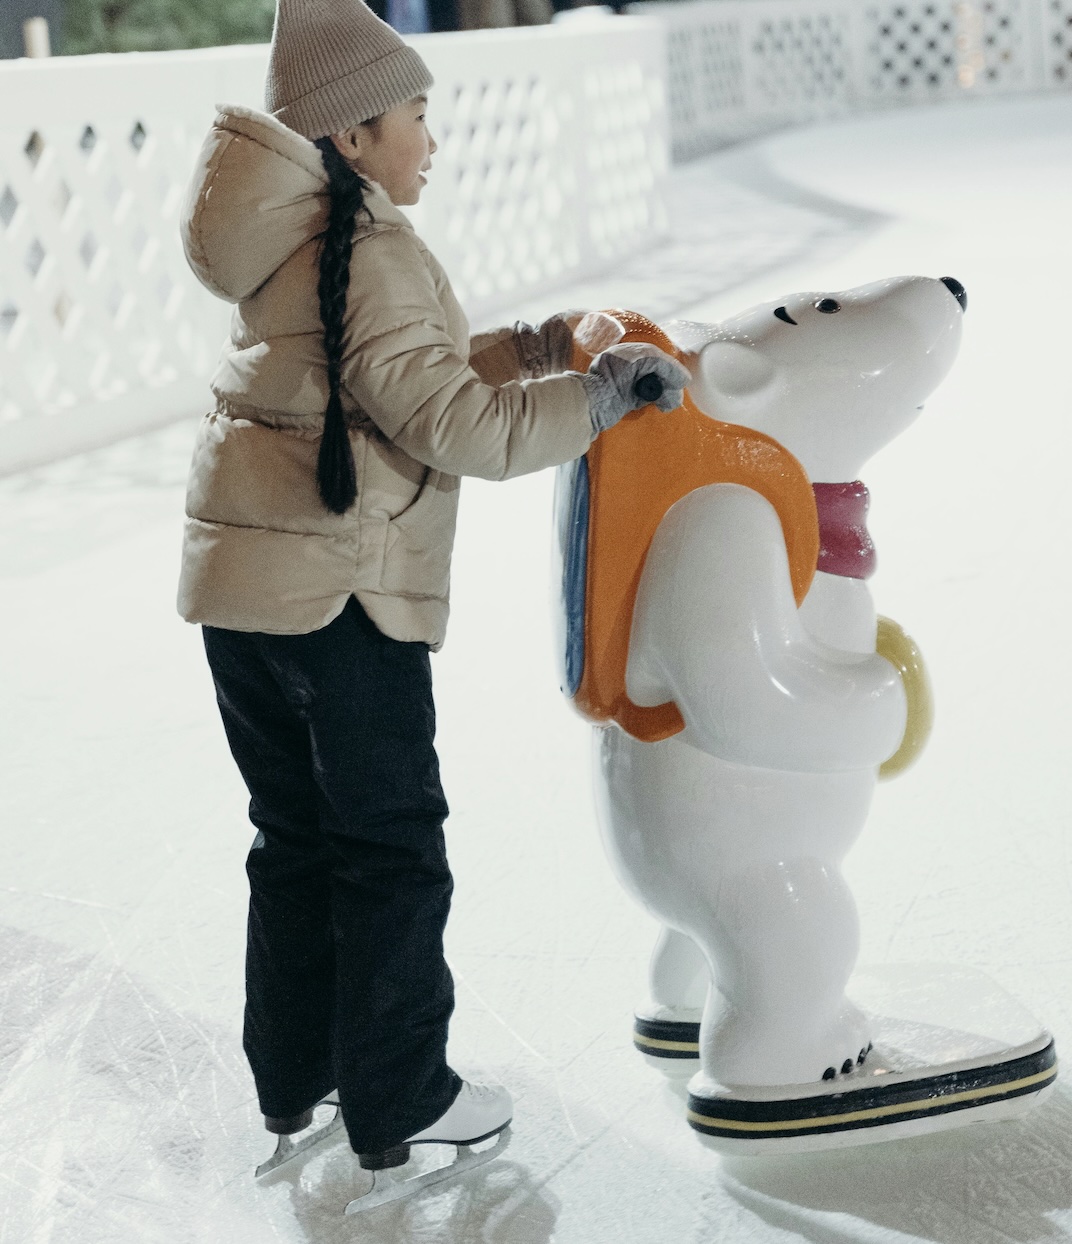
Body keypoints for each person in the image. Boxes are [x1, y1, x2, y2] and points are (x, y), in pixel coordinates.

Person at [176, 0, 688, 1190]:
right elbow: (452, 424)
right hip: (338, 599)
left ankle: (297, 1070)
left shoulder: (299, 236)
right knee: (390, 845)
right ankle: (401, 1090)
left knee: (293, 839)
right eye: (416, 114)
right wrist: (603, 394)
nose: (431, 139)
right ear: (352, 135)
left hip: (248, 594)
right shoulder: (373, 245)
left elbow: (393, 376)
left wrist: (545, 342)